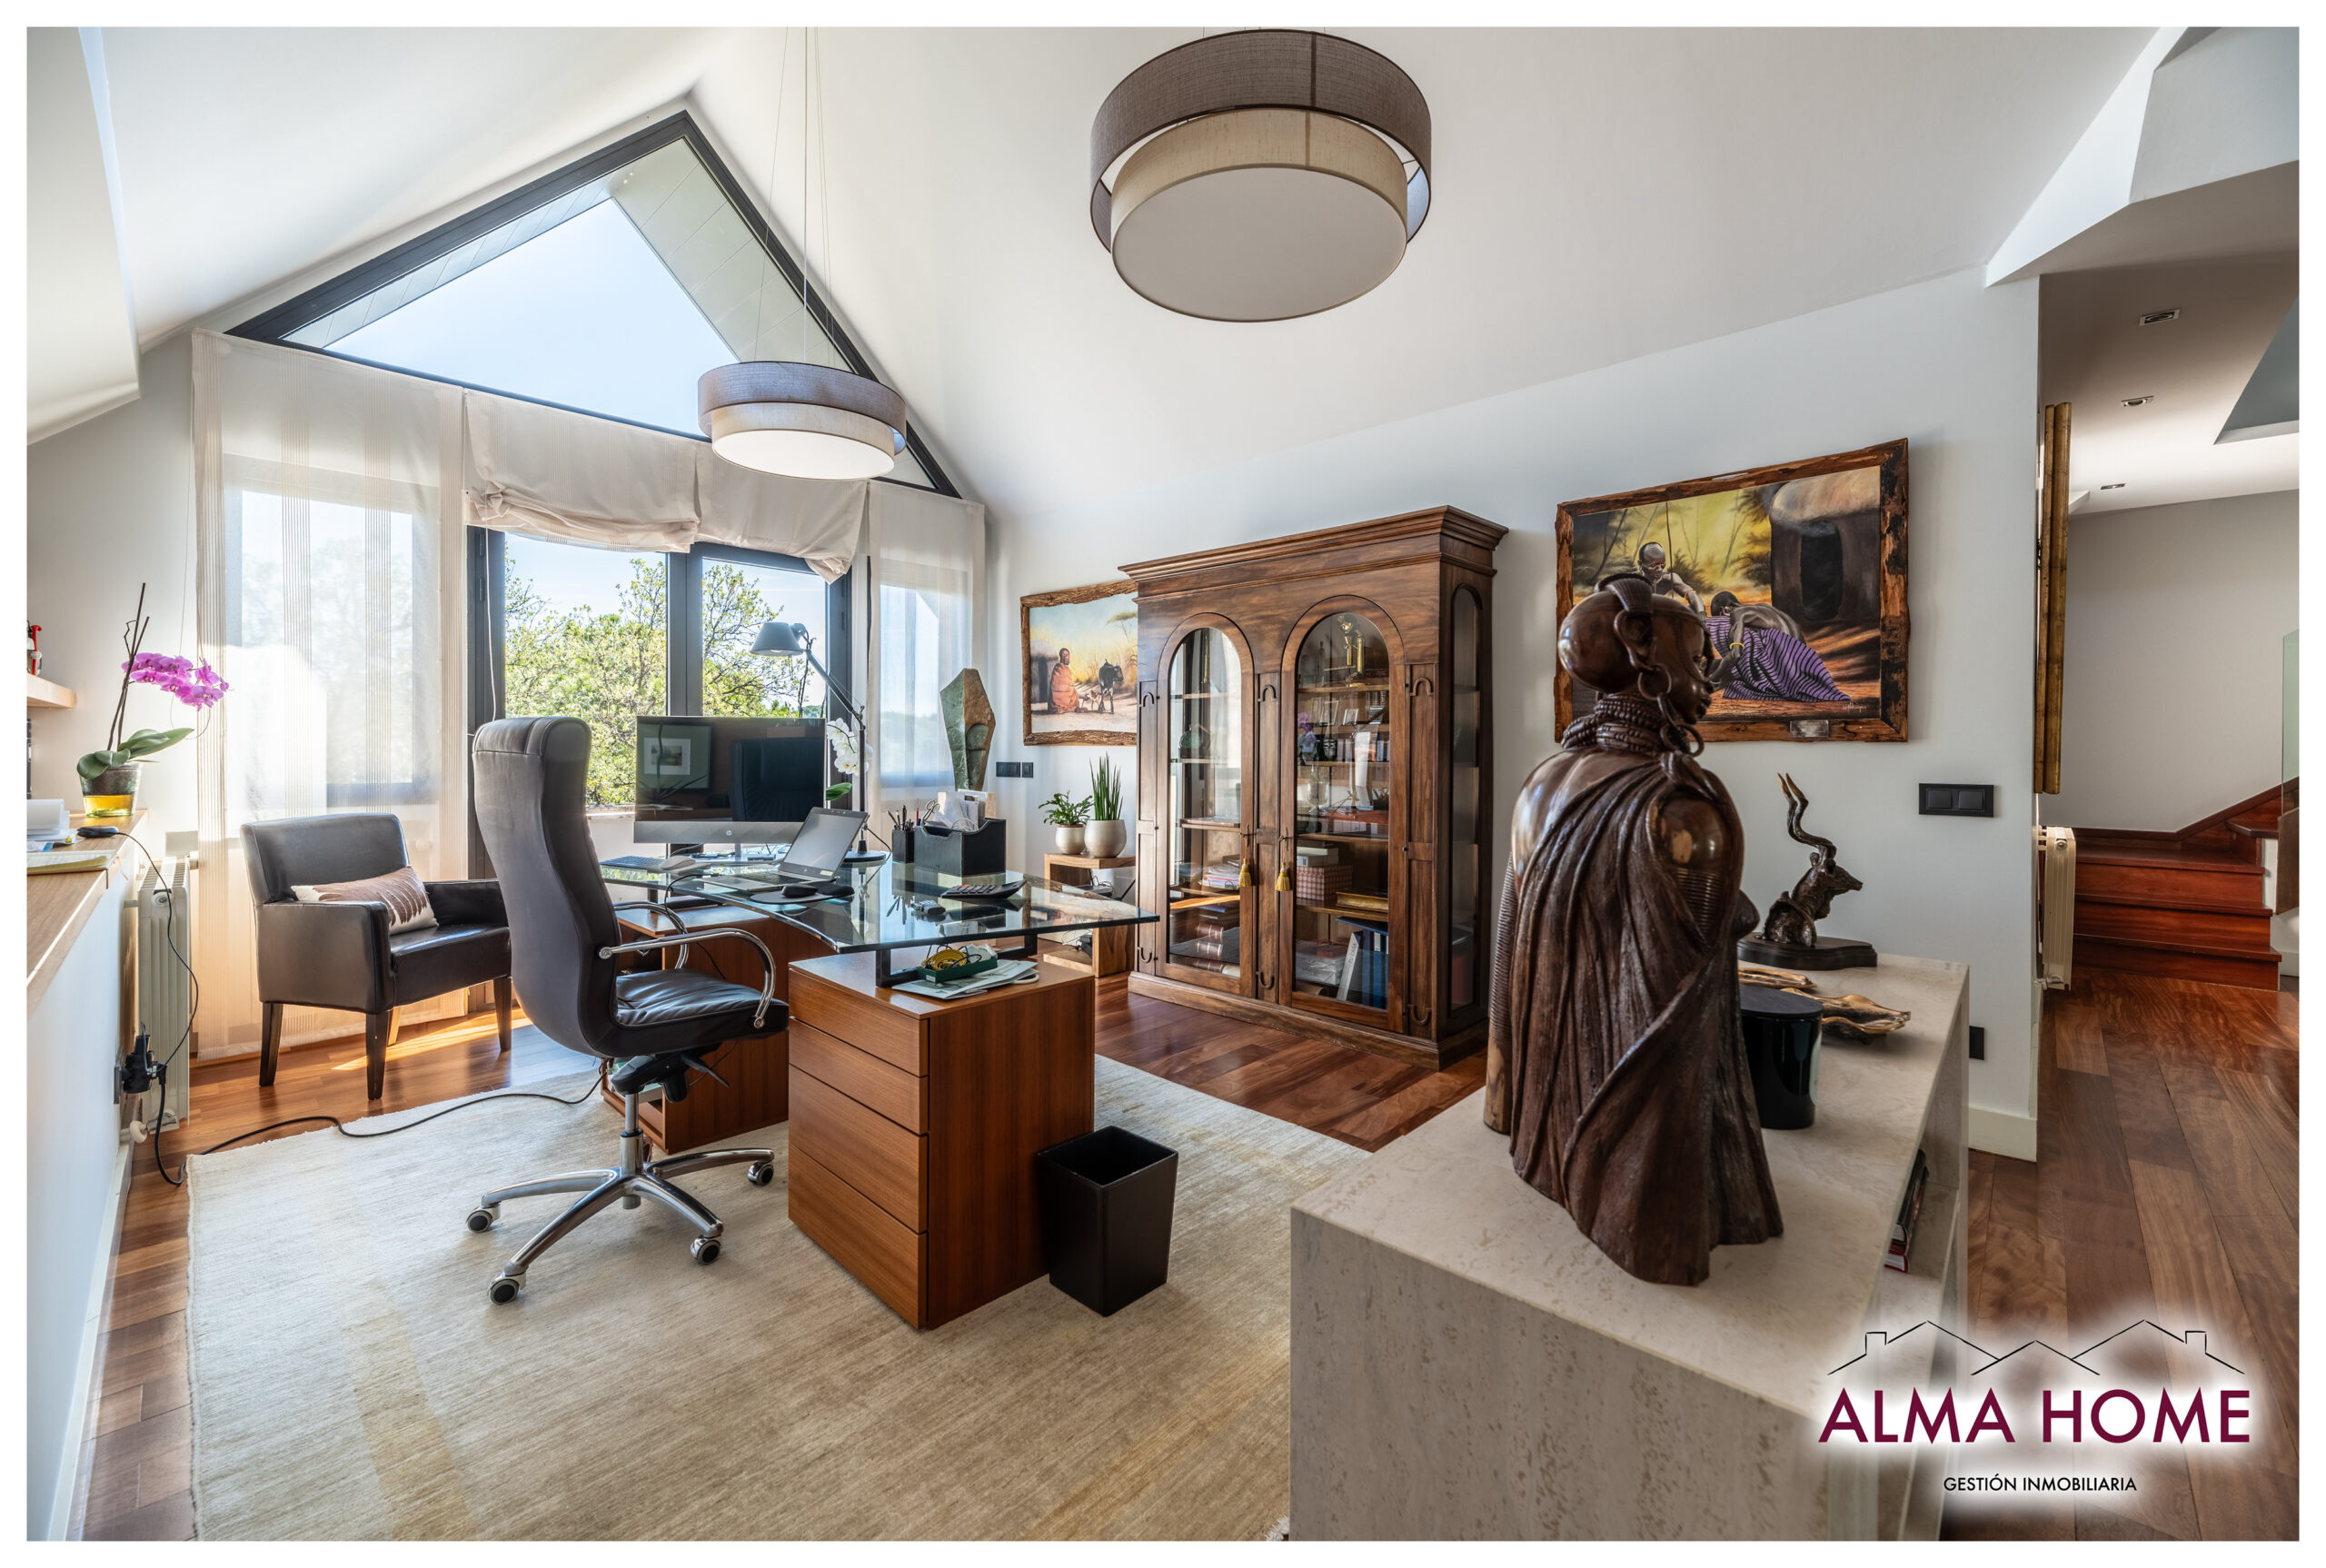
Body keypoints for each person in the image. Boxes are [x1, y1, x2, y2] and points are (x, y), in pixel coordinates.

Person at [1486, 573, 1781, 1285]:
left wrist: (1504, 1098)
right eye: (1698, 655)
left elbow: (1509, 947)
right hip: (1635, 1144)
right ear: (1644, 652)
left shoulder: (1541, 781)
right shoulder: (1682, 808)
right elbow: (1691, 986)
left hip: (1541, 1117)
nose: (1711, 674)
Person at [1703, 590, 1847, 703]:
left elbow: (1736, 653)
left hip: (1782, 674)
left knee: (1734, 638)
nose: (1725, 621)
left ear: (1725, 610)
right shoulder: (1766, 609)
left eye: (1721, 618)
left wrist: (1714, 679)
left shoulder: (1738, 614)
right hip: (1802, 667)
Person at [1048, 646, 1080, 714]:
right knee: (1075, 697)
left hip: (1054, 704)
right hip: (1065, 702)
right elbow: (1070, 689)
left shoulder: (1056, 668)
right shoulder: (1066, 670)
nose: (1068, 658)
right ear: (1064, 657)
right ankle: (1068, 706)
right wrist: (1079, 695)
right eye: (1067, 656)